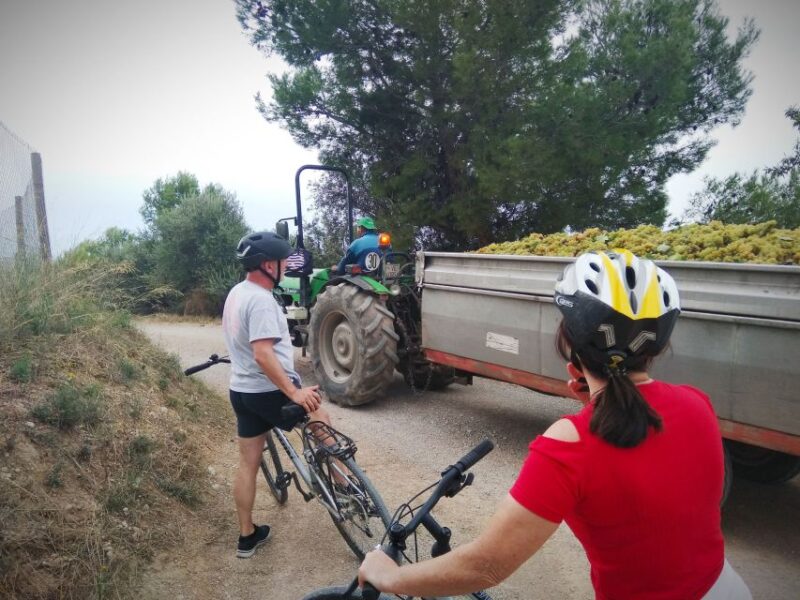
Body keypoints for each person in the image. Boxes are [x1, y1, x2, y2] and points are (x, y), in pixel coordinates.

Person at [359, 250, 751, 599]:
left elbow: (486, 567)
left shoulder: (569, 446)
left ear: (569, 345)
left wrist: (392, 576)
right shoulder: (697, 404)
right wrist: (603, 403)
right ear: (657, 347)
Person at [222, 230, 335, 559]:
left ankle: (247, 537)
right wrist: (294, 393)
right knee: (317, 414)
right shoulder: (261, 301)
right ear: (268, 264)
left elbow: (241, 342)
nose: (286, 265)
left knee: (247, 465)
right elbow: (262, 354)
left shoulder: (236, 293)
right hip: (270, 391)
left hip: (241, 391)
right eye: (283, 261)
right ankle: (347, 485)